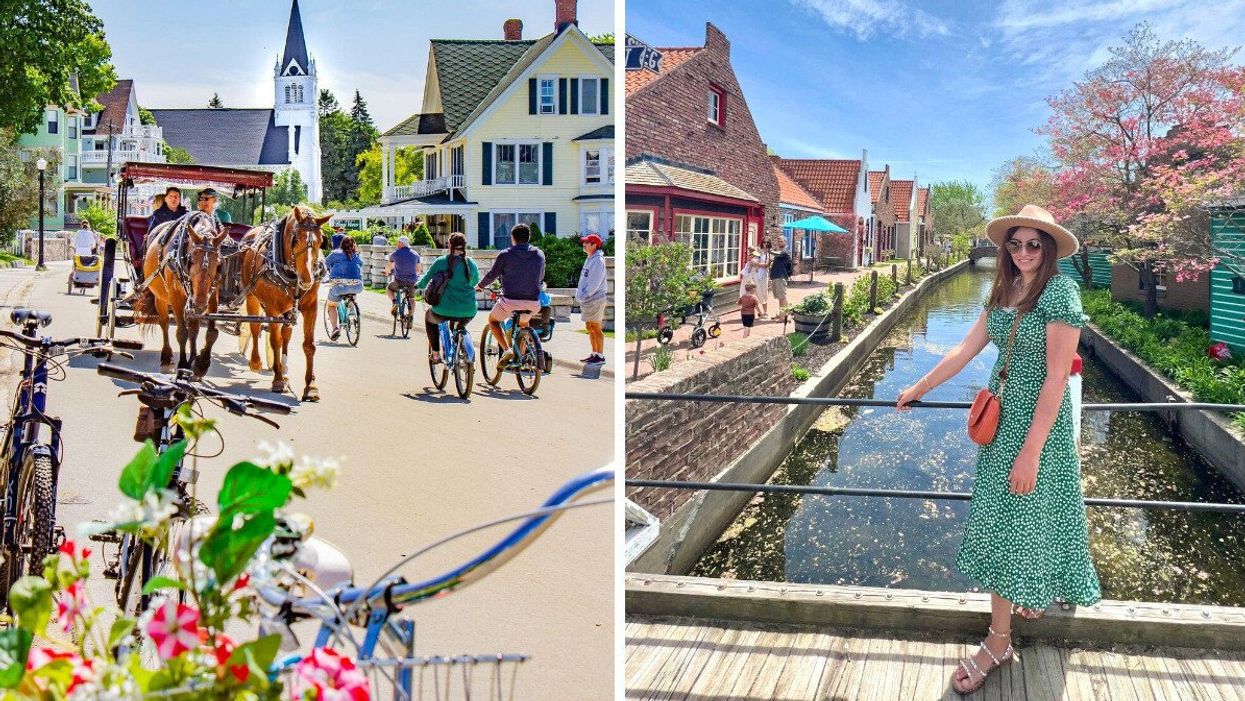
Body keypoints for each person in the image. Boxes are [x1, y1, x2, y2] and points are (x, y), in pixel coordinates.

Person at [895, 204, 1098, 695]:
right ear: (1005, 248)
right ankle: (1015, 612)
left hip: (1035, 432)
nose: (1024, 252)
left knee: (1026, 517)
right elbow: (964, 351)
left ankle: (999, 640)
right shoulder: (1004, 291)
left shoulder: (1060, 292)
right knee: (1004, 522)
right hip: (1001, 423)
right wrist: (918, 386)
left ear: (1048, 249)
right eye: (1016, 243)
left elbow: (1055, 378)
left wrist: (1031, 452)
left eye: (1034, 244)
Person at [476, 223, 546, 367]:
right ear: (529, 238)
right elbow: (541, 276)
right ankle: (519, 357)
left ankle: (507, 350)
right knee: (524, 322)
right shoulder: (539, 254)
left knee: (493, 321)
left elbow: (492, 275)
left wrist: (480, 286)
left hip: (510, 301)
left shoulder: (506, 254)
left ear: (512, 238)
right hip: (533, 302)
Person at [417, 232, 480, 364]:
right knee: (458, 324)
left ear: (449, 245)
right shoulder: (471, 264)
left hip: (443, 310)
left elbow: (425, 281)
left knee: (429, 317)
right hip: (469, 311)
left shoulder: (441, 262)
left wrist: (417, 285)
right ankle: (459, 345)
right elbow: (474, 282)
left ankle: (435, 354)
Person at [322, 237, 364, 341]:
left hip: (339, 287)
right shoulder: (356, 255)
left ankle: (335, 329)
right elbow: (361, 264)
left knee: (331, 305)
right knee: (352, 290)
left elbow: (324, 264)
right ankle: (351, 307)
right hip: (358, 286)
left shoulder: (336, 253)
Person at [576, 233, 608, 364]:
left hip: (595, 298)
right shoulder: (590, 258)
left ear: (594, 245)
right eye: (584, 242)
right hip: (587, 299)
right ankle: (594, 353)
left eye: (587, 243)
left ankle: (600, 356)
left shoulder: (598, 261)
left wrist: (584, 294)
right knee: (589, 326)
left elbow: (594, 282)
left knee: (596, 327)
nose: (584, 244)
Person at [384, 236, 422, 315]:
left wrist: (386, 272)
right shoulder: (415, 254)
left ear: (401, 244)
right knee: (411, 299)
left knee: (389, 288)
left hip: (399, 282)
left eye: (397, 243)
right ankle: (410, 317)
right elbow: (418, 270)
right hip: (412, 282)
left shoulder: (395, 254)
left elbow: (389, 267)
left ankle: (395, 302)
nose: (396, 245)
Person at [740, 246, 770, 317]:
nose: (751, 255)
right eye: (750, 254)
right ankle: (761, 313)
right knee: (753, 296)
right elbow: (748, 269)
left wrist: (757, 264)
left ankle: (764, 312)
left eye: (752, 254)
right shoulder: (750, 260)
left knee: (761, 295)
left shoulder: (760, 258)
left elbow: (766, 265)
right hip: (750, 279)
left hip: (758, 279)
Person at [770, 238, 794, 322]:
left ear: (785, 242)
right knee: (780, 298)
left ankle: (784, 317)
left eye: (781, 241)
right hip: (776, 276)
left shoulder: (785, 250)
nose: (779, 242)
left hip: (781, 276)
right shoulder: (780, 251)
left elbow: (777, 254)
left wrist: (769, 250)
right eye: (778, 241)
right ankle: (783, 314)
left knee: (783, 297)